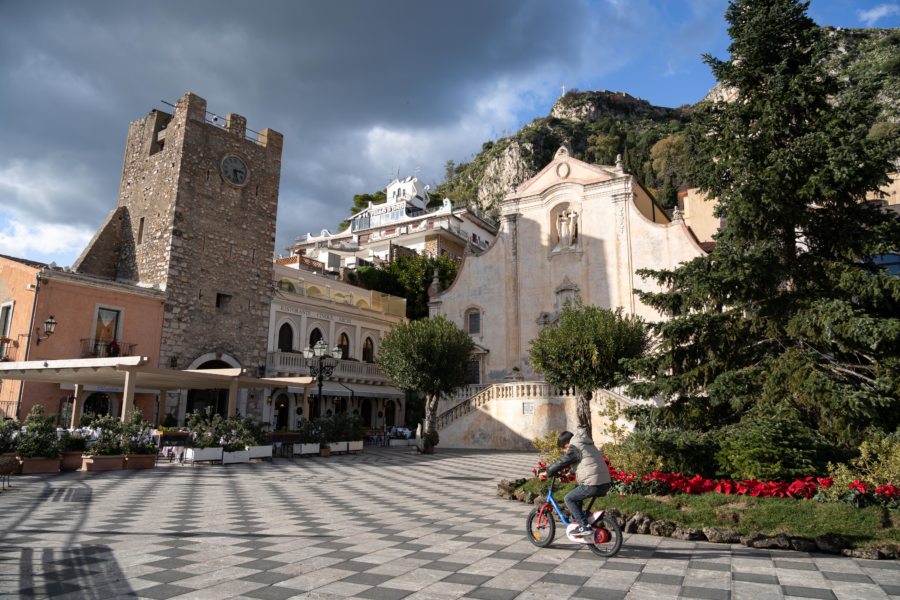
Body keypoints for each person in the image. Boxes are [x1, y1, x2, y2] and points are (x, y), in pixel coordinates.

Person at [539, 427, 611, 540]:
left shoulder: (575, 446)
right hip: (604, 482)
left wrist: (547, 472)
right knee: (577, 490)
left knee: (569, 498)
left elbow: (563, 461)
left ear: (567, 445)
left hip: (593, 483)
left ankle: (584, 526)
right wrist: (569, 474)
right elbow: (584, 462)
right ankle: (579, 520)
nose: (565, 452)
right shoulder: (585, 444)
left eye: (564, 450)